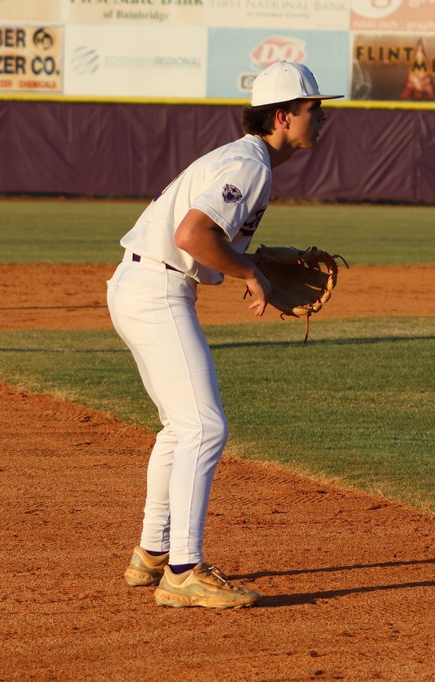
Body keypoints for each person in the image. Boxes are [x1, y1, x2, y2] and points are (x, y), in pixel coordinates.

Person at [106, 61, 342, 609]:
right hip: (155, 290)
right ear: (284, 116)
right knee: (205, 428)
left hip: (138, 284)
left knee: (179, 427)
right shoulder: (250, 162)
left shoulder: (243, 158)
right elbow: (193, 235)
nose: (321, 117)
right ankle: (185, 571)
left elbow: (198, 240)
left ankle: (152, 553)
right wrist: (248, 273)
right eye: (314, 108)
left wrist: (246, 262)